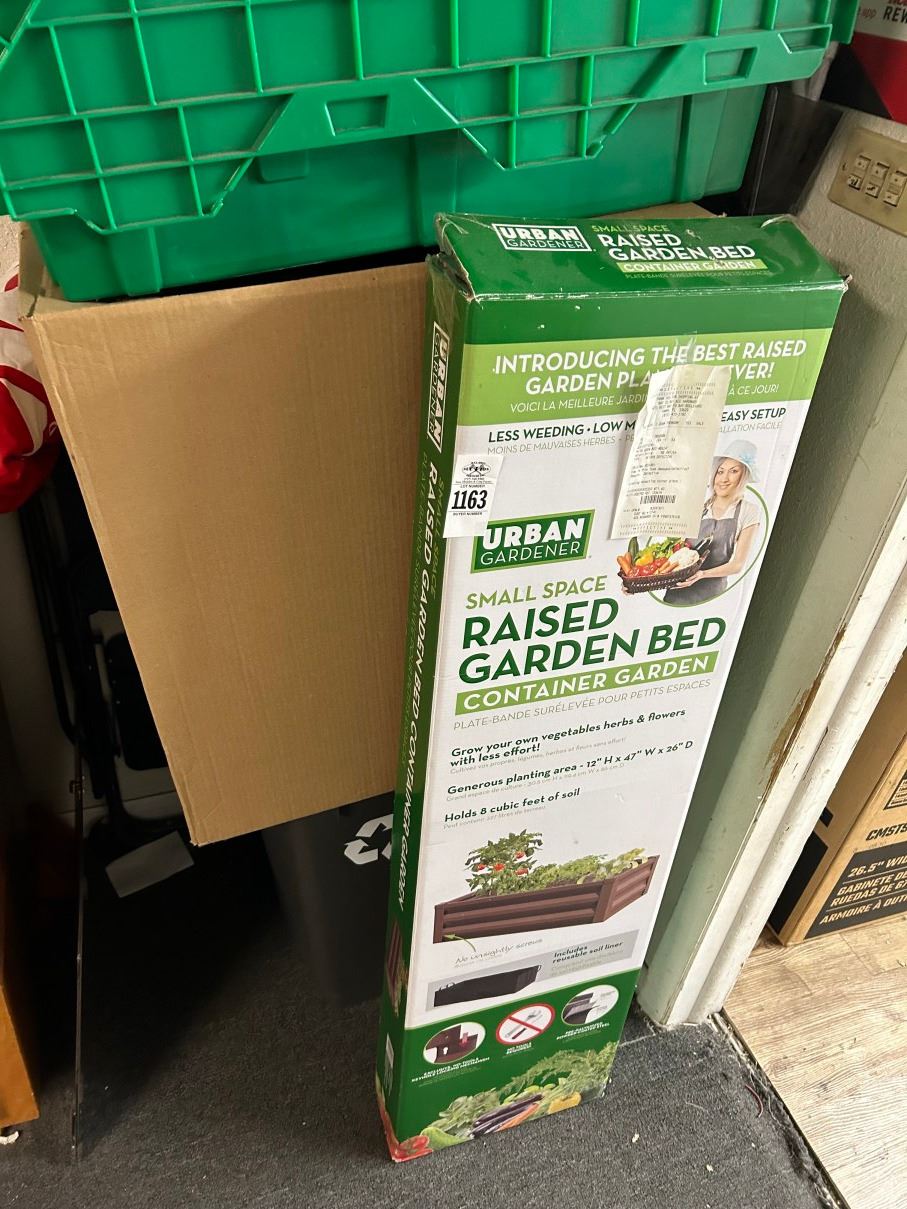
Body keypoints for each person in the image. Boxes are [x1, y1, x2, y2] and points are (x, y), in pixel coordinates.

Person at [663, 439, 762, 605]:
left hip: (712, 597)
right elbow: (672, 552)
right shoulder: (697, 506)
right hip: (677, 593)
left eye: (733, 471)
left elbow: (738, 564)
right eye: (720, 471)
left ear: (744, 476)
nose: (724, 479)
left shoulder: (749, 511)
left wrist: (702, 574)